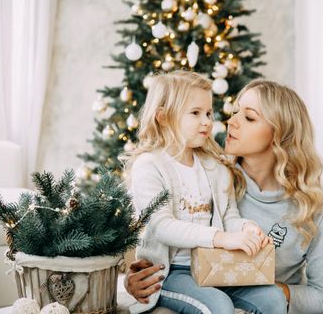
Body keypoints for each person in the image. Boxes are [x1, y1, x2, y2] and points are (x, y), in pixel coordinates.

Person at [125, 79, 323, 313]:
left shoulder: (310, 205)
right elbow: (156, 225)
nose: (230, 122)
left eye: (249, 117)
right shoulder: (217, 174)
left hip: (276, 295)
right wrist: (133, 279)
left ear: (280, 135)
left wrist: (267, 286)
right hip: (201, 283)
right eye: (234, 112)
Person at [122, 71, 287, 314]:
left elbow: (229, 215)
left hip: (215, 265)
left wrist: (246, 228)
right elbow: (160, 226)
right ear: (164, 117)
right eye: (195, 113)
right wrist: (221, 238)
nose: (207, 121)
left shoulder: (215, 167)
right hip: (170, 273)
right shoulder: (149, 165)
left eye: (209, 113)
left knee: (273, 298)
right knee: (218, 306)